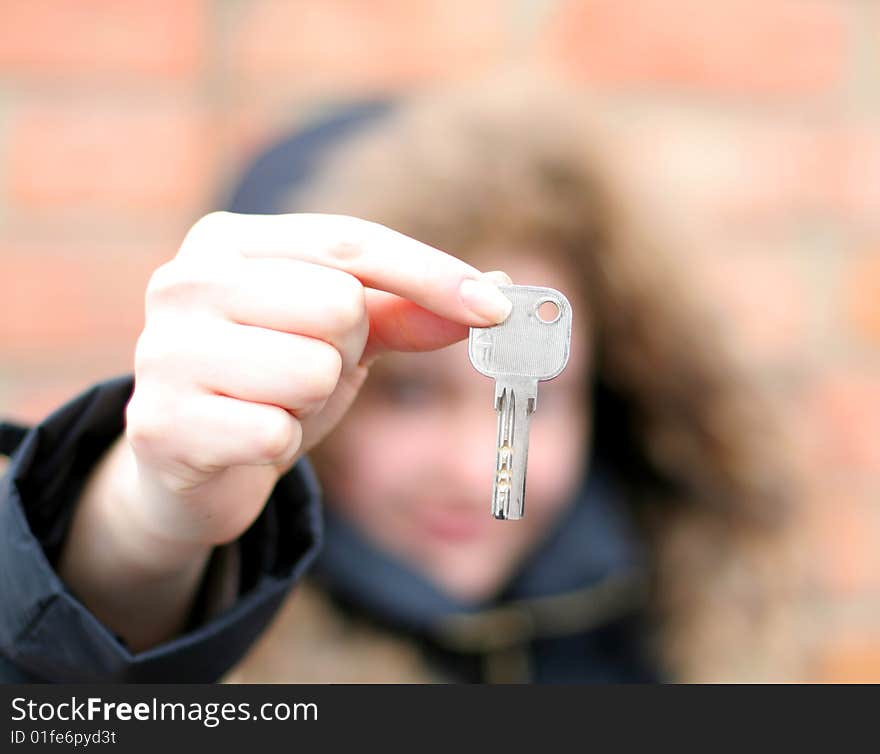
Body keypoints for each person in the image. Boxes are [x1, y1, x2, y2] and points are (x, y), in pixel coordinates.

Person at [0, 79, 800, 683]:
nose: (470, 468)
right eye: (410, 393)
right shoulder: (225, 654)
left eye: (540, 399)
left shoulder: (689, 635)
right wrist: (141, 532)